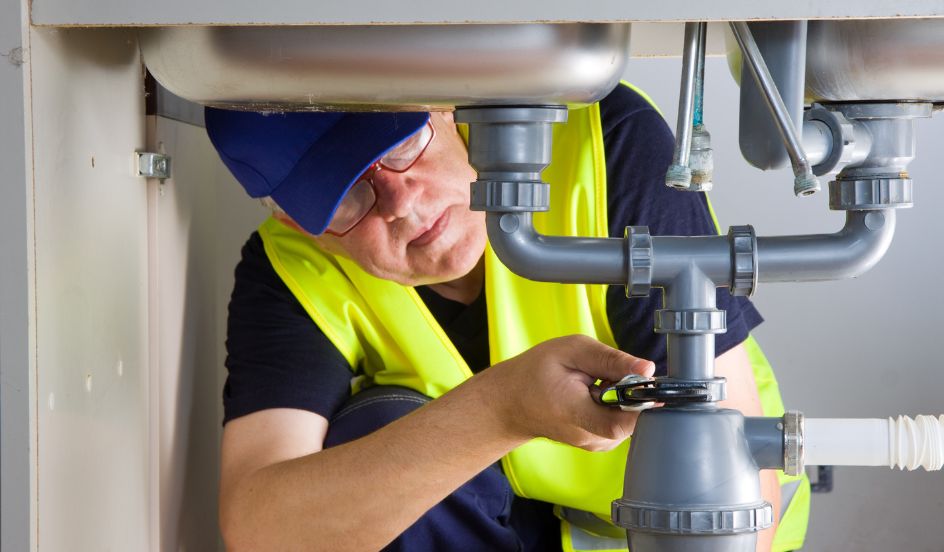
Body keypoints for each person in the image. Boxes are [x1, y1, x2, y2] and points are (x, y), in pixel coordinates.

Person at [206, 83, 808, 552]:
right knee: (375, 433)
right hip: (509, 529)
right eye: (346, 195)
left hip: (703, 529)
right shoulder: (291, 270)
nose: (401, 202)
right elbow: (265, 527)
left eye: (399, 145)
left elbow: (728, 453)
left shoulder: (600, 141)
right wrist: (499, 409)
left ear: (442, 106)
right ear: (295, 219)